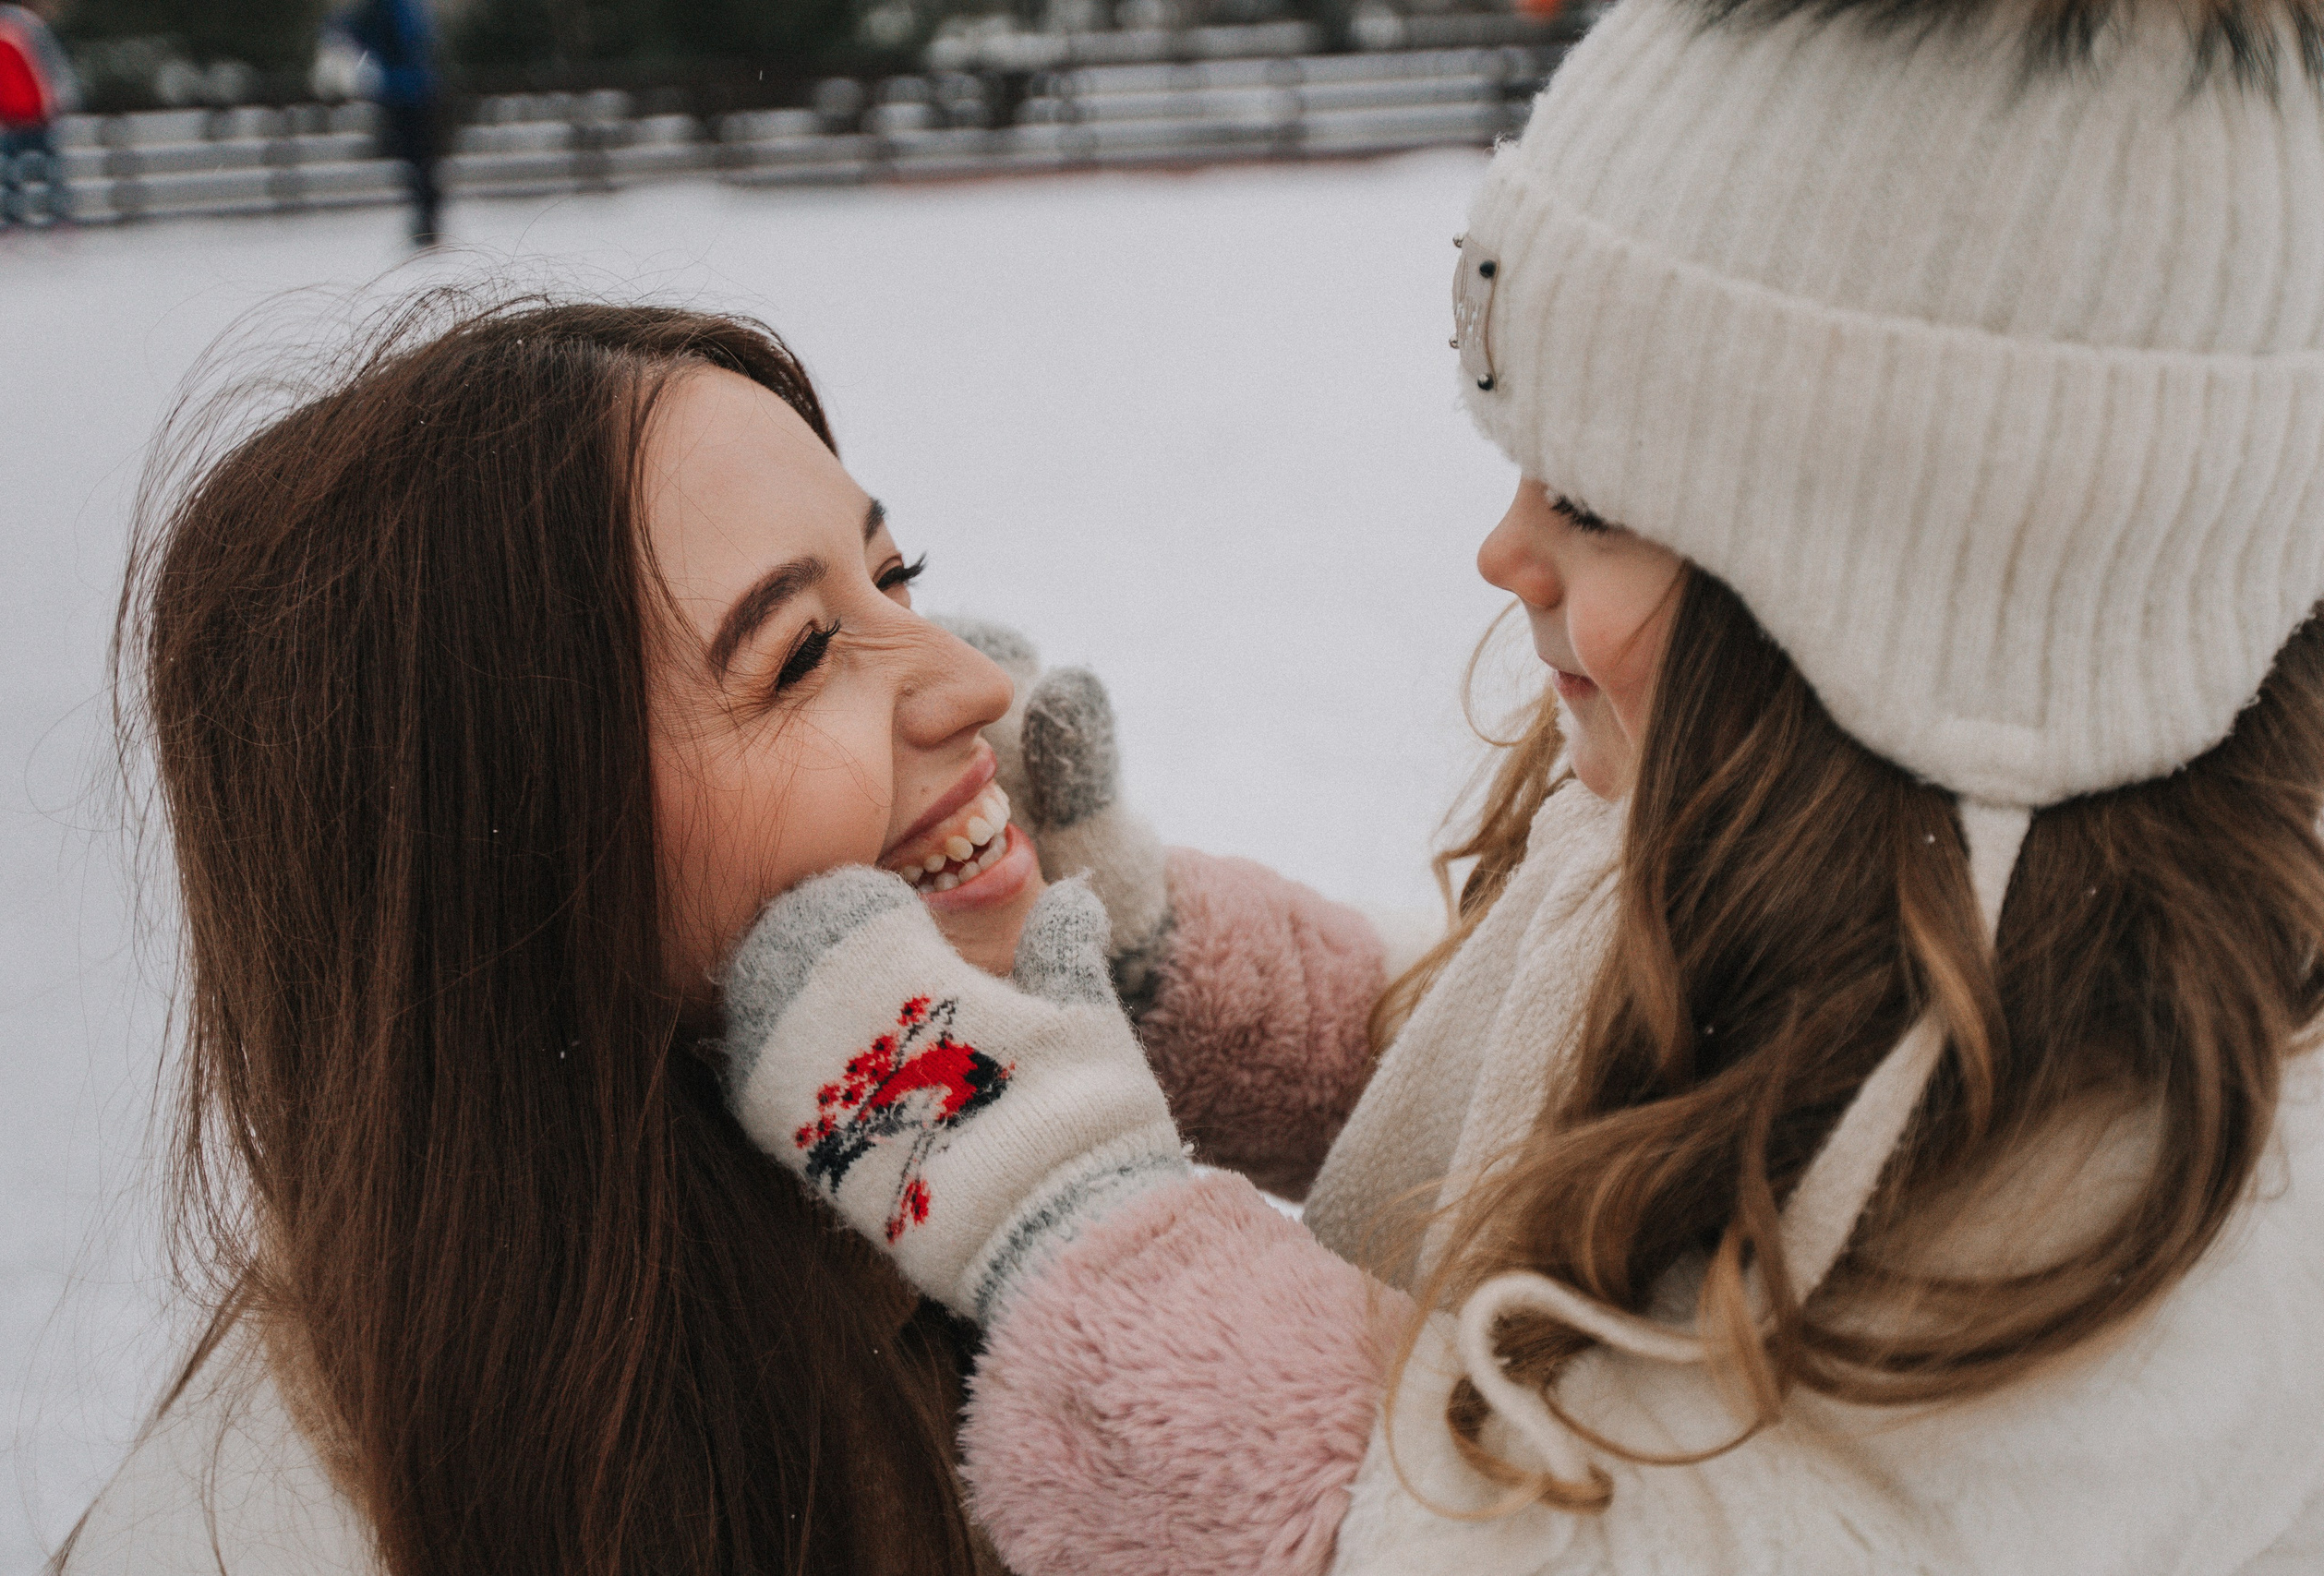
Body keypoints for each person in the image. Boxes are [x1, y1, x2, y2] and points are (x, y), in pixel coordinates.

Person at [710, 0, 2324, 1569]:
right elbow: (1536, 1111)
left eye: (1601, 501)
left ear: (1904, 604)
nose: (1505, 548)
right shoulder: (1772, 828)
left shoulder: (2171, 1183)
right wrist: (1161, 967)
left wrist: (1048, 1204)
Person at [59, 295, 1102, 1575]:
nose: (978, 682)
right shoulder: (296, 1537)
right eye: (801, 652)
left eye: (896, 576)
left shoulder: (994, 1182)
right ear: (516, 859)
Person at [331, 0, 441, 247]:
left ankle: (426, 223)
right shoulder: (401, 8)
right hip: (412, 90)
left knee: (416, 161)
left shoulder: (389, 9)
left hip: (403, 92)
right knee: (420, 162)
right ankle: (427, 221)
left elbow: (384, 41)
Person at [0, 0, 76, 226]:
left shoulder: (10, 23)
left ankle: (31, 218)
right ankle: (40, 218)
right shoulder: (9, 23)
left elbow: (47, 62)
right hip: (14, 110)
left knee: (25, 169)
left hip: (23, 109)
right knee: (26, 169)